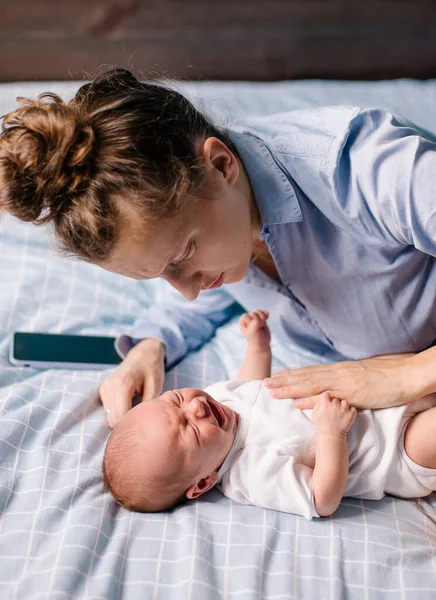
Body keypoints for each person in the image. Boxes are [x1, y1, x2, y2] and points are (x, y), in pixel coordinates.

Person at [1, 67, 436, 427]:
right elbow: (214, 291)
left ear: (221, 165)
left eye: (182, 257)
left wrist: (412, 373)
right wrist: (151, 344)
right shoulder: (222, 226)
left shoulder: (365, 168)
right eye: (161, 275)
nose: (188, 290)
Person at [103, 310, 436, 518]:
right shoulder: (249, 475)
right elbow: (322, 499)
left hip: (380, 391)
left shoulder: (218, 401)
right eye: (190, 428)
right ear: (203, 481)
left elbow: (249, 385)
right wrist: (330, 435)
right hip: (394, 452)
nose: (195, 406)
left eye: (176, 399)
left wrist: (257, 347)